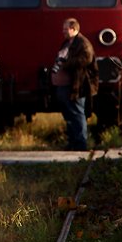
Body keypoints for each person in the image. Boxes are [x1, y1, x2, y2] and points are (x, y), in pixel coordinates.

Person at [51, 17, 98, 151]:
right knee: (69, 114)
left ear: (74, 29)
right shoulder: (68, 43)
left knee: (77, 113)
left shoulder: (83, 43)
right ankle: (72, 142)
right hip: (65, 86)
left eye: (66, 29)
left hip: (77, 86)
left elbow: (86, 59)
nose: (63, 32)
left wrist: (66, 64)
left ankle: (80, 144)